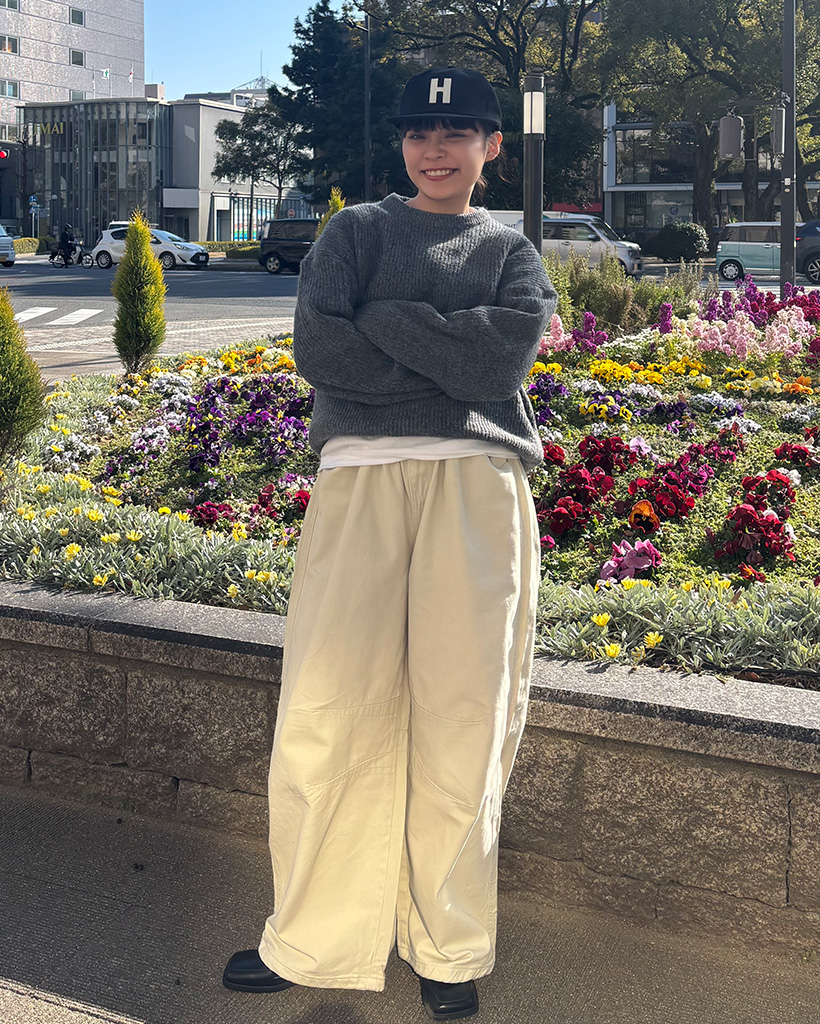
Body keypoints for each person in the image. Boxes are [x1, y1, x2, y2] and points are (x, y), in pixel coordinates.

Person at [222, 66, 557, 1022]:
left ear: (492, 146)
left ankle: (448, 947)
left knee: (464, 716)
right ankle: (312, 935)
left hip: (477, 487)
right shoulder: (355, 233)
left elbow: (500, 360)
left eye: (457, 133)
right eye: (417, 132)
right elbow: (322, 351)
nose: (434, 149)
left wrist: (386, 320)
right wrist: (444, 351)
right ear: (402, 144)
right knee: (328, 707)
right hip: (359, 481)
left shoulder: (512, 252)